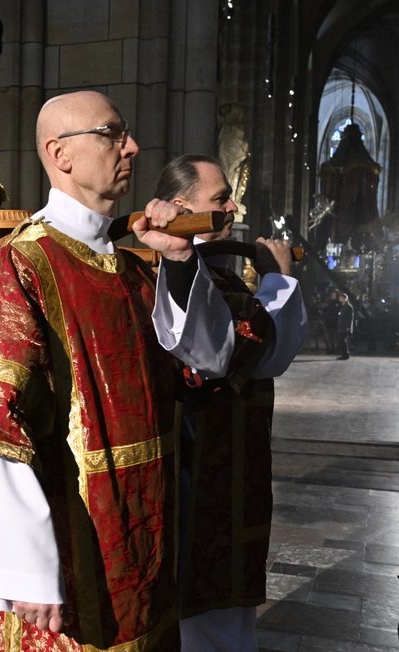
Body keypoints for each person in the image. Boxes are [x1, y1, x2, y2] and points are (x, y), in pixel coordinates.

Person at [0, 91, 238, 651]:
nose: (132, 146)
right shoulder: (25, 261)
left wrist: (178, 263)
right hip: (69, 540)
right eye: (111, 134)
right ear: (61, 154)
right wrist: (23, 567)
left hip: (140, 532)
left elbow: (209, 362)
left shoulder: (131, 266)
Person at [154, 154, 307, 650]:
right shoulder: (180, 275)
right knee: (204, 617)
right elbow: (242, 352)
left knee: (229, 612)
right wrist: (278, 281)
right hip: (197, 468)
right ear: (182, 207)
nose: (234, 205)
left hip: (233, 464)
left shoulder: (218, 276)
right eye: (221, 198)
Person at [336, 291, 354, 360]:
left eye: (341, 297)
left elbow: (350, 318)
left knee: (343, 341)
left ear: (345, 298)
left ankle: (346, 354)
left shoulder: (348, 307)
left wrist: (348, 327)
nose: (339, 299)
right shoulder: (343, 307)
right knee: (341, 341)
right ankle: (343, 354)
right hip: (341, 327)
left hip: (345, 328)